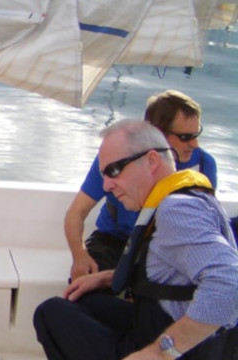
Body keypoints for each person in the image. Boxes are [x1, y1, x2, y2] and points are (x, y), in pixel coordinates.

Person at [34, 120, 238, 360]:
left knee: (51, 313)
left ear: (151, 161)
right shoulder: (188, 199)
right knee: (82, 302)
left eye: (113, 171)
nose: (107, 186)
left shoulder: (177, 210)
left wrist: (159, 353)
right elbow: (180, 276)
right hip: (168, 327)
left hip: (176, 349)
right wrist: (107, 277)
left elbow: (229, 284)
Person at [64, 89, 217, 281]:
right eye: (185, 137)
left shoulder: (204, 165)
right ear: (157, 133)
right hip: (114, 240)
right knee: (83, 286)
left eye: (196, 134)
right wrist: (79, 255)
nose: (195, 144)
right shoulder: (114, 161)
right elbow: (76, 212)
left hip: (165, 249)